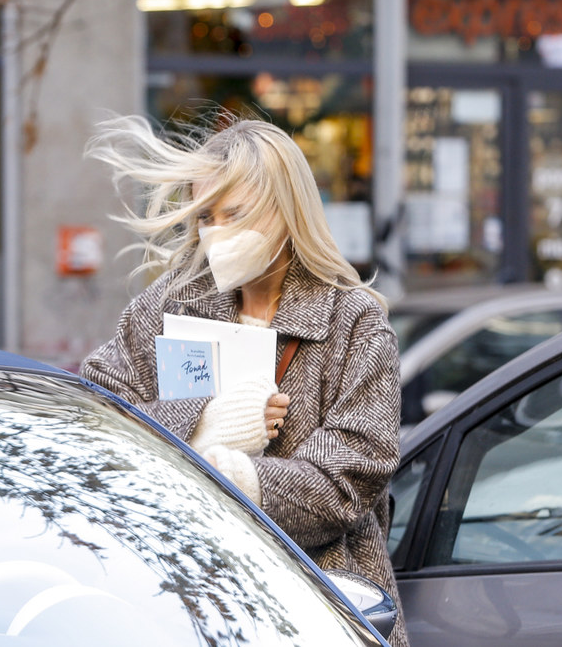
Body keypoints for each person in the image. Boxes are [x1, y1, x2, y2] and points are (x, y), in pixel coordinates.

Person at [80, 112, 407, 647]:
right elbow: (102, 428)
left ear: (286, 211)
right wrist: (207, 423)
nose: (217, 233)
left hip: (319, 607)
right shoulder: (164, 309)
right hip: (183, 602)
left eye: (236, 214)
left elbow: (349, 480)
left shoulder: (354, 322)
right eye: (206, 216)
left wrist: (229, 474)